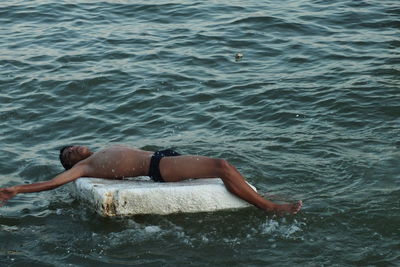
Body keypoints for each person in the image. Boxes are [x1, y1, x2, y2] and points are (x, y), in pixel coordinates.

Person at [0, 145, 302, 215]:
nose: (76, 149)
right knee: (222, 166)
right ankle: (270, 207)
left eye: (75, 145)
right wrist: (16, 189)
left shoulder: (95, 155)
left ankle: (260, 198)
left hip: (162, 158)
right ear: (70, 162)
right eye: (70, 153)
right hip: (160, 167)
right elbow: (53, 183)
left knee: (222, 167)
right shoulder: (84, 169)